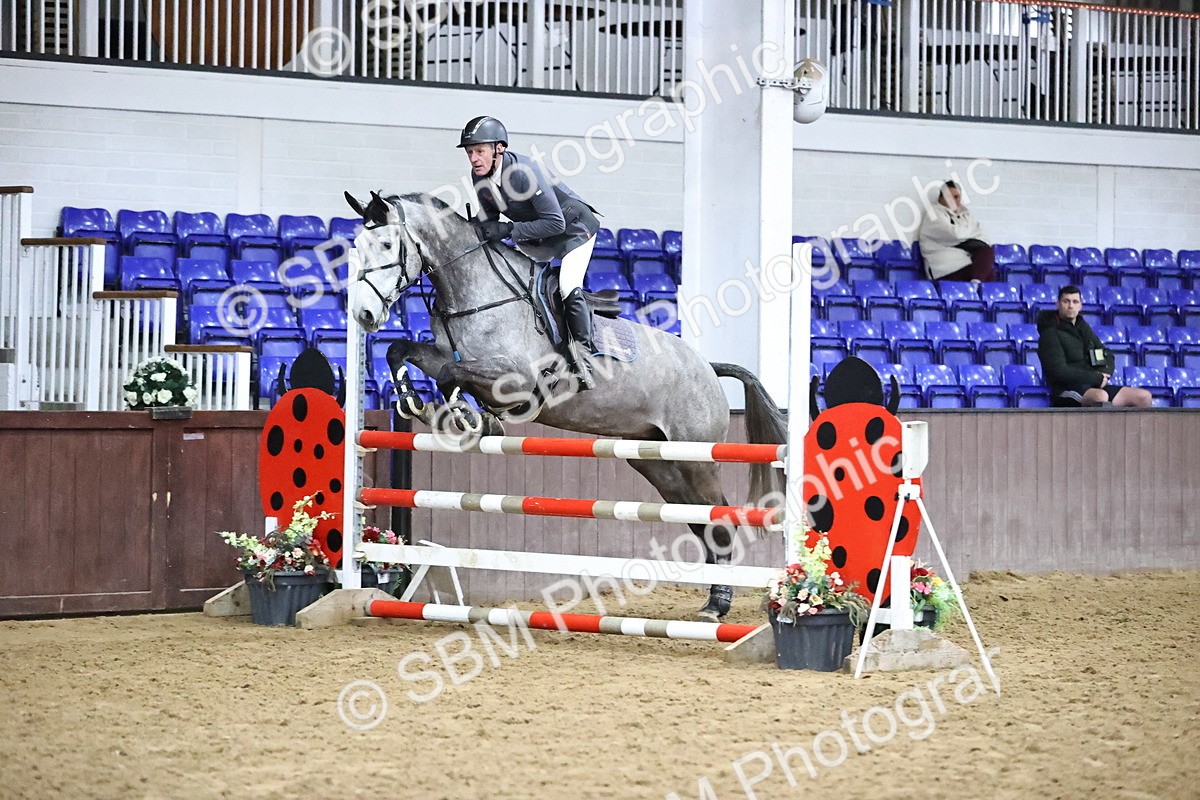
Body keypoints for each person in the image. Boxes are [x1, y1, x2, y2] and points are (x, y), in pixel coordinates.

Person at [458, 115, 601, 386]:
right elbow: (490, 221)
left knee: (567, 286)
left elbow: (555, 221)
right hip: (538, 235)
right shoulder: (479, 178)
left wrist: (510, 231)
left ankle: (585, 360)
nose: (474, 158)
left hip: (574, 229)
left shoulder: (522, 173)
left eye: (479, 151)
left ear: (499, 148)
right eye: (470, 153)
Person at [1037, 285, 1152, 408]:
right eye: (1066, 301)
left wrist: (1105, 373)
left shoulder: (1083, 328)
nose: (1071, 306)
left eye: (1075, 302)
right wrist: (1096, 378)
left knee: (1143, 396)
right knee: (1100, 397)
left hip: (1093, 385)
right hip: (1065, 390)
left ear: (1080, 305)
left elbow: (1104, 353)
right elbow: (1059, 372)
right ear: (1058, 304)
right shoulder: (1049, 334)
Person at [917, 180, 996, 283]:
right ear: (941, 198)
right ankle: (974, 288)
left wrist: (964, 233)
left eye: (957, 197)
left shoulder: (965, 214)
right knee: (986, 274)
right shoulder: (934, 214)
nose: (954, 200)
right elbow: (954, 234)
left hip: (964, 263)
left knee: (987, 253)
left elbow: (982, 236)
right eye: (950, 197)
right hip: (944, 270)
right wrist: (971, 231)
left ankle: (974, 286)